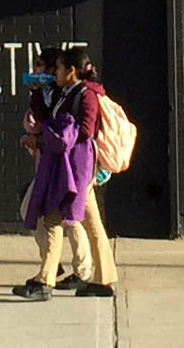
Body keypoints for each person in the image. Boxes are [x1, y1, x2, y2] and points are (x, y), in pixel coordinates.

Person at [16, 43, 118, 298]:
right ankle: (103, 279)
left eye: (59, 68)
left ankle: (45, 282)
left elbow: (85, 129)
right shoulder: (68, 92)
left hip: (75, 166)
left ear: (71, 71)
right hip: (68, 165)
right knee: (91, 223)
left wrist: (55, 138)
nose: (56, 73)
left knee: (52, 218)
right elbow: (48, 118)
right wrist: (37, 93)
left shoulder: (86, 94)